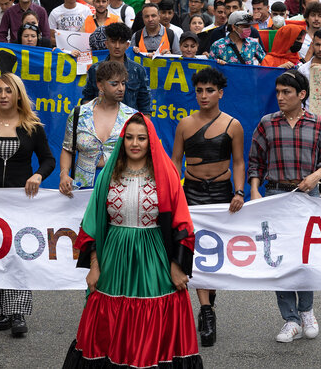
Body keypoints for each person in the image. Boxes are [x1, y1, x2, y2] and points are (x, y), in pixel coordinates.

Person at [62, 112, 202, 367]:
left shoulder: (166, 174)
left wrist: (177, 265)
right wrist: (94, 265)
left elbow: (182, 223)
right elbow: (92, 220)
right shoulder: (108, 175)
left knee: (153, 319)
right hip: (114, 256)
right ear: (122, 141)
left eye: (141, 138)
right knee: (109, 318)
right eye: (129, 138)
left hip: (154, 257)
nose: (135, 143)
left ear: (151, 141)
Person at [249, 70, 321, 343]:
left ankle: (307, 311)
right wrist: (254, 189)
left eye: (286, 92)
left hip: (308, 196)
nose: (280, 97)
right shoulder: (267, 124)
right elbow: (256, 161)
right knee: (280, 259)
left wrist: (316, 176)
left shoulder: (318, 123)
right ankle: (290, 319)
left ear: (302, 95)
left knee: (307, 257)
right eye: (277, 92)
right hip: (276, 194)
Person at [0, 73, 55, 337]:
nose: (3, 95)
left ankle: (17, 312)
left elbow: (48, 160)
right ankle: (3, 311)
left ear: (18, 94)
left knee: (18, 253)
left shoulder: (32, 127)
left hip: (21, 203)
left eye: (8, 90)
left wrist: (38, 175)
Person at [170, 68, 244, 347]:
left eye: (209, 90)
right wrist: (174, 191)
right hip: (191, 194)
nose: (204, 95)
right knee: (196, 252)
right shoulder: (185, 124)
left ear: (220, 93)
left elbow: (238, 162)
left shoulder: (233, 125)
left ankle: (208, 301)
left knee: (215, 252)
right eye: (199, 90)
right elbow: (175, 160)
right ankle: (206, 311)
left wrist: (239, 191)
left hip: (222, 194)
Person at [60, 60, 136, 194]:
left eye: (123, 83)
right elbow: (67, 149)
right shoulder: (79, 114)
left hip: (120, 188)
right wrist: (64, 174)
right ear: (100, 85)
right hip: (81, 187)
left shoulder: (132, 117)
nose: (121, 88)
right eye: (114, 84)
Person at [84, 23, 151, 115]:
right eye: (113, 41)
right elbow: (87, 99)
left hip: (129, 124)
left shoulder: (138, 70)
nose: (117, 46)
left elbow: (145, 106)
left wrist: (143, 127)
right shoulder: (95, 69)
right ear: (106, 44)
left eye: (121, 42)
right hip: (101, 122)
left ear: (127, 45)